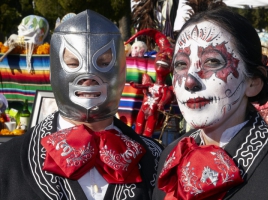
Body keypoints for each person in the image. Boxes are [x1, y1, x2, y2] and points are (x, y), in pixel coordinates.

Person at [0, 10, 163, 200]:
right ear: (53, 72)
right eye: (73, 63)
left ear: (122, 72)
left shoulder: (156, 161)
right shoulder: (6, 162)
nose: (88, 77)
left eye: (103, 62)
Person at [152, 7, 268, 200]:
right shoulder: (171, 156)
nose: (189, 81)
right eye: (181, 64)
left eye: (212, 62)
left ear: (253, 82)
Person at [126, 29, 174, 138]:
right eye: (161, 53)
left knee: (148, 134)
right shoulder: (149, 83)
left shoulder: (165, 89)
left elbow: (165, 98)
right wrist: (135, 85)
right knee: (137, 132)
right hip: (143, 110)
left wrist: (162, 103)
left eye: (169, 57)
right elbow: (143, 86)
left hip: (153, 113)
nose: (164, 56)